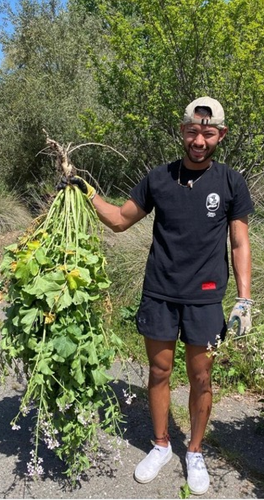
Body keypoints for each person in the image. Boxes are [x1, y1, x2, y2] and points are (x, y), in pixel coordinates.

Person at [59, 96, 254, 495]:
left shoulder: (231, 182)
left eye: (208, 133)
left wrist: (244, 298)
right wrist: (86, 190)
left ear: (221, 135)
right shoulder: (158, 178)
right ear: (183, 130)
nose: (199, 140)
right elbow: (118, 220)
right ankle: (162, 445)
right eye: (193, 131)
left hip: (205, 297)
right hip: (160, 293)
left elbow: (239, 243)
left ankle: (195, 452)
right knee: (160, 372)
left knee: (201, 377)